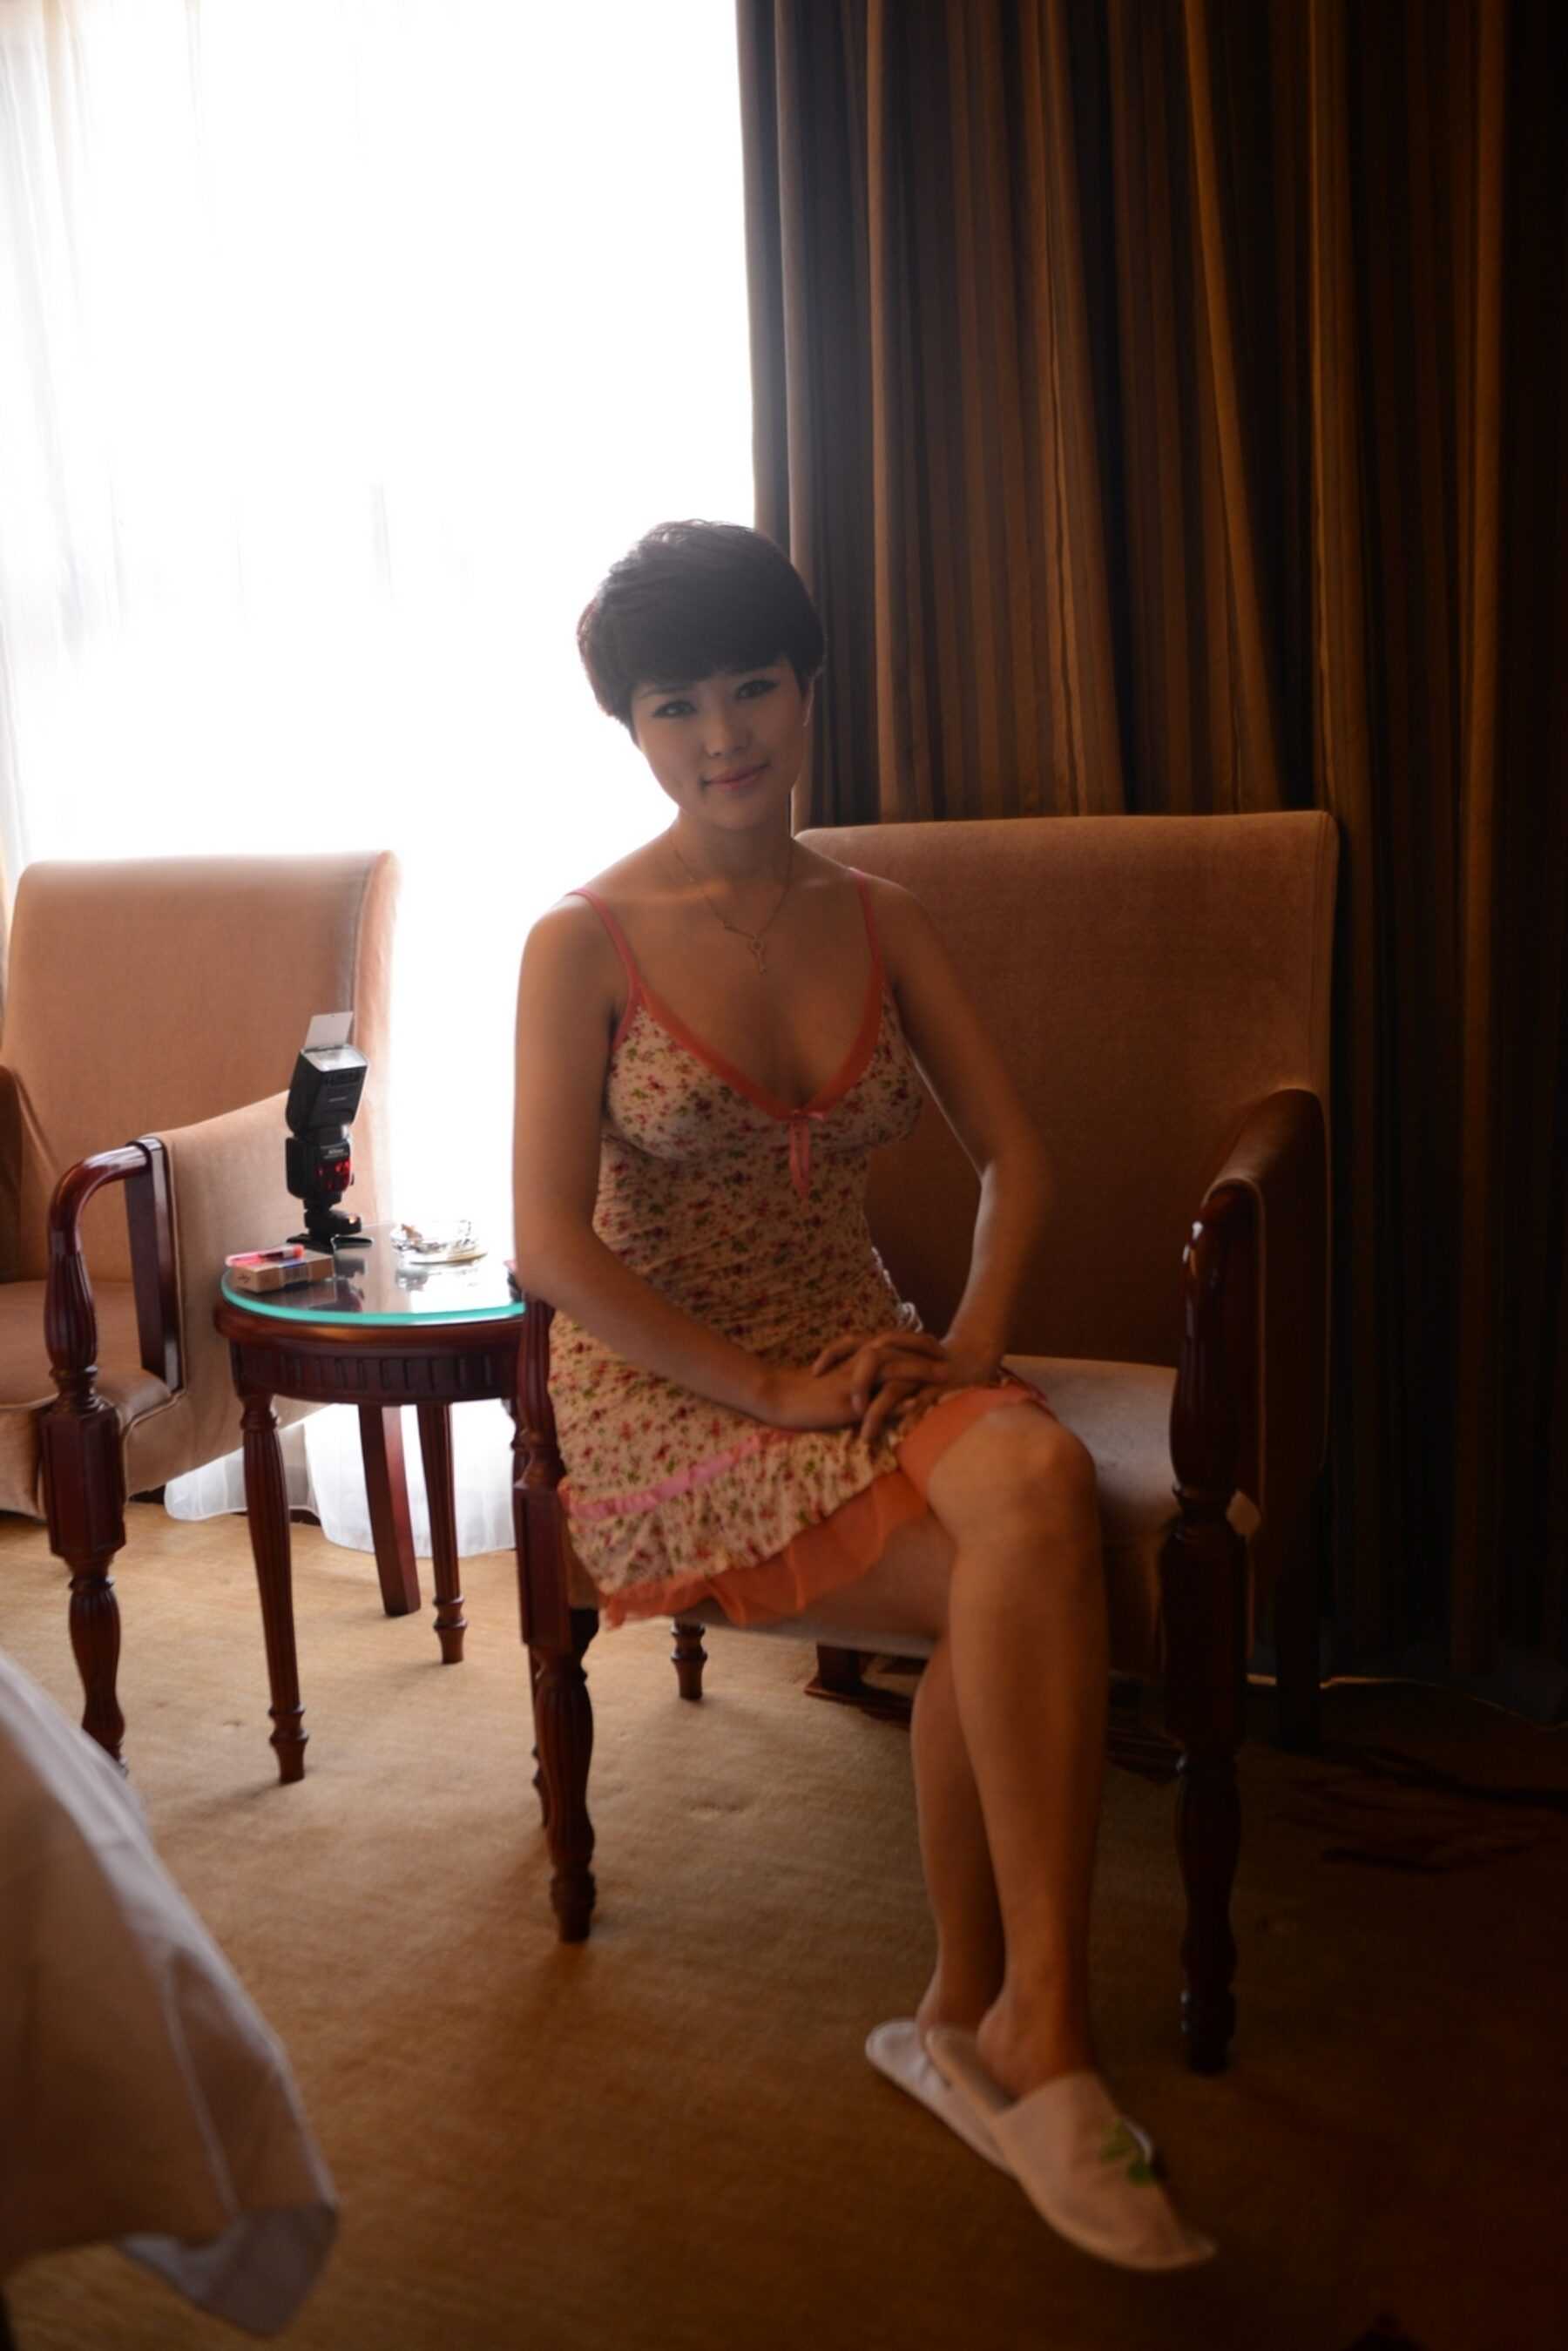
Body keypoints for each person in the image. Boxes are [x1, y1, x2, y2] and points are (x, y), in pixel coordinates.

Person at [513, 519, 1213, 2271]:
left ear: (809, 686)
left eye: (752, 687)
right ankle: (1011, 2023)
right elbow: (546, 1245)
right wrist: (763, 1386)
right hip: (674, 1389)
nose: (722, 736)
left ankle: (996, 2012)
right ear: (632, 727)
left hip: (864, 1350)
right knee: (1020, 1542)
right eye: (676, 706)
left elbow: (1020, 1159)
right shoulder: (580, 943)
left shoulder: (883, 920)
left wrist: (969, 1347)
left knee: (1028, 1489)